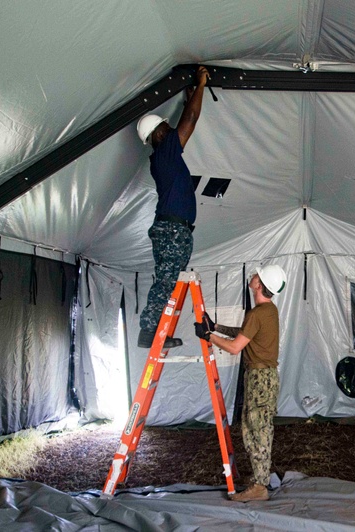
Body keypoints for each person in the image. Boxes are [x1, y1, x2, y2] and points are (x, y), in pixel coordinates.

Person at [195, 264, 287, 502]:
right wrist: (215, 327)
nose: (253, 276)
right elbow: (246, 332)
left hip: (260, 379)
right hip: (264, 377)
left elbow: (236, 347)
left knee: (257, 431)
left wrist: (208, 336)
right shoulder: (268, 311)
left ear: (259, 285)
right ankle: (260, 480)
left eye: (257, 275)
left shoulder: (258, 313)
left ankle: (260, 486)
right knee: (257, 428)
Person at [136, 66, 209, 348]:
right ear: (157, 135)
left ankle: (159, 332)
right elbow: (190, 119)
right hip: (172, 230)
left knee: (169, 282)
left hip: (175, 230)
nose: (170, 131)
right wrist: (201, 85)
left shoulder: (165, 157)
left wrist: (191, 98)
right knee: (166, 282)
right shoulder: (164, 154)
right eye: (165, 128)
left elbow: (186, 118)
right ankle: (149, 332)